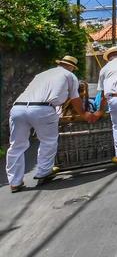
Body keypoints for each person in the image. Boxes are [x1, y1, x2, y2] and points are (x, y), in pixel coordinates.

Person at [6, 55, 96, 193]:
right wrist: (84, 114)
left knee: (16, 146)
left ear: (60, 64)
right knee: (48, 141)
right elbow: (75, 99)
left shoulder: (41, 74)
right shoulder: (69, 75)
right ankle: (43, 172)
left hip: (18, 107)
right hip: (43, 109)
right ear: (71, 67)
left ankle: (15, 182)